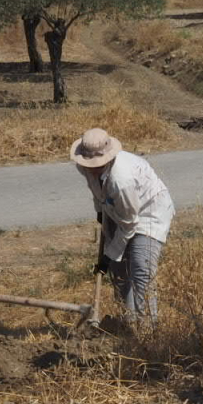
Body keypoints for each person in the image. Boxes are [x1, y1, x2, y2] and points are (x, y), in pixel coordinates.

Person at [71, 128, 174, 324]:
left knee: (141, 269)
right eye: (89, 163)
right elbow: (96, 191)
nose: (92, 168)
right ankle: (128, 321)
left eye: (97, 164)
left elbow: (129, 223)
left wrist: (108, 256)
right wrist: (100, 213)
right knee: (118, 271)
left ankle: (147, 328)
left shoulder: (121, 179)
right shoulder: (83, 165)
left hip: (149, 212)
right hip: (116, 207)